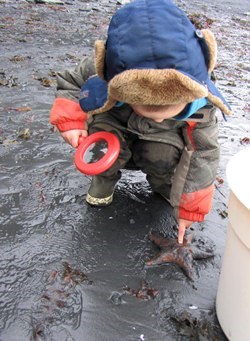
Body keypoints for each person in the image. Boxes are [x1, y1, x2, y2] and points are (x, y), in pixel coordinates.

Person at [50, 0, 232, 244]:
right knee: (101, 143)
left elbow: (204, 155)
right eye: (146, 107)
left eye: (169, 110)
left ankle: (164, 184)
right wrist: (70, 120)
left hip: (162, 141)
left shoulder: (201, 102)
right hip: (115, 125)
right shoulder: (105, 69)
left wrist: (191, 207)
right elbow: (70, 83)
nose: (157, 116)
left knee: (163, 154)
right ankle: (104, 178)